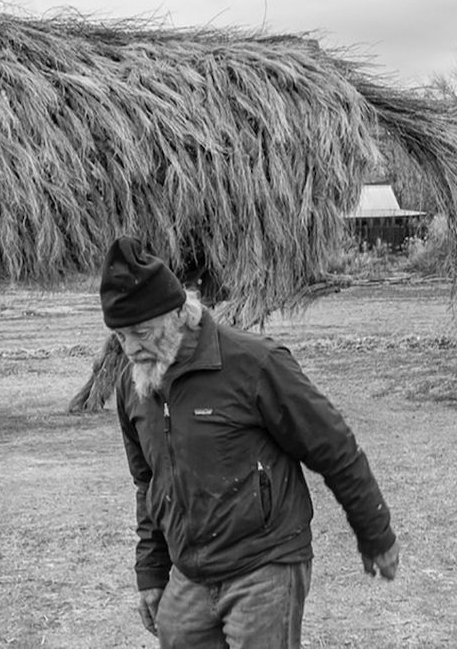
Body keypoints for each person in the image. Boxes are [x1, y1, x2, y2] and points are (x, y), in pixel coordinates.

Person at [101, 235, 400, 648]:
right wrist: (151, 573)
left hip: (264, 564)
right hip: (190, 574)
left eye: (140, 332)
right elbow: (149, 484)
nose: (131, 349)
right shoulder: (132, 388)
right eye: (119, 337)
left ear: (177, 314)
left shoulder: (254, 363)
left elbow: (335, 448)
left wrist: (376, 535)